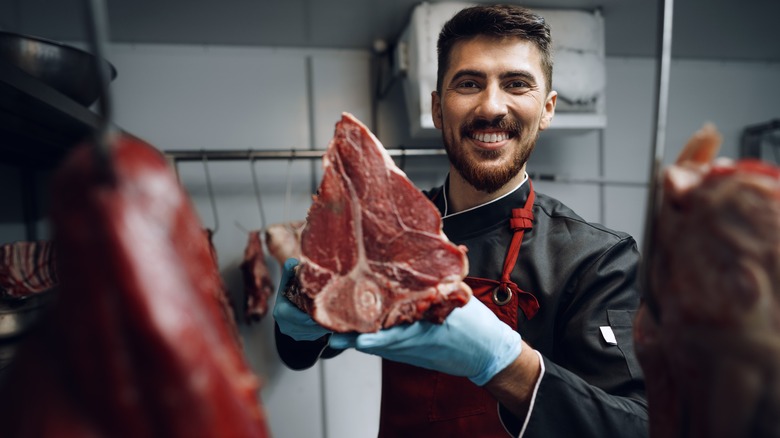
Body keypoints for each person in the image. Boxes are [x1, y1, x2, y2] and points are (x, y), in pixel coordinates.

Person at [273, 4, 648, 437]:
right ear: (437, 108)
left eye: (516, 84)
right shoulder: (387, 228)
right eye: (469, 83)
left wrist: (506, 364)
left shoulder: (598, 259)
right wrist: (297, 323)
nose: (491, 107)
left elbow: (634, 425)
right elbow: (302, 354)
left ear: (546, 110)